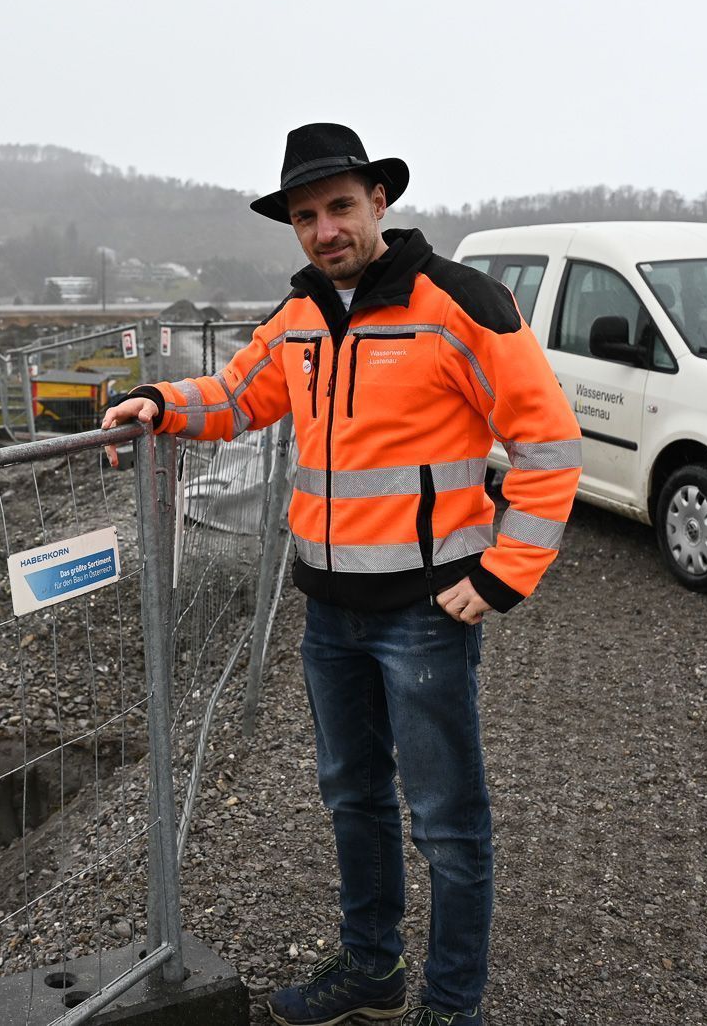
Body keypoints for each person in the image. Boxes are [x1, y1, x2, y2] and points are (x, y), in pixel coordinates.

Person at [99, 123, 581, 1026]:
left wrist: (507, 572)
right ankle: (373, 973)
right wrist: (161, 403)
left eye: (341, 208)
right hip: (329, 614)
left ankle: (452, 1004)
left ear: (380, 204)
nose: (325, 230)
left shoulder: (459, 303)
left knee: (446, 821)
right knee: (352, 799)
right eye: (307, 215)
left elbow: (551, 446)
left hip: (426, 613)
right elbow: (240, 396)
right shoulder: (300, 317)